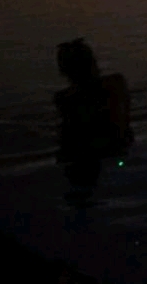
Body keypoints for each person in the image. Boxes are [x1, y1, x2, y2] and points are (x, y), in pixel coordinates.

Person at [54, 39, 134, 198]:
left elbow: (68, 133)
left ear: (63, 70)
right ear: (93, 62)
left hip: (88, 147)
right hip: (116, 142)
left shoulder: (64, 99)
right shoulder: (116, 83)